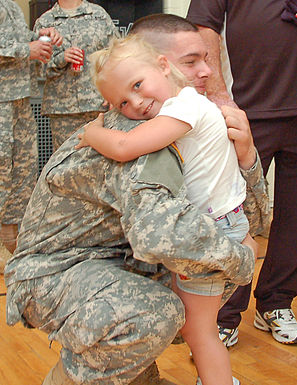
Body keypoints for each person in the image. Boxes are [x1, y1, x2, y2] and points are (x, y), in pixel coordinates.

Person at [4, 14, 265, 385]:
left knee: (195, 288)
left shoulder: (186, 118)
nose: (207, 71)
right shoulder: (143, 133)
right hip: (54, 271)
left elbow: (252, 219)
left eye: (207, 58)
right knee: (160, 310)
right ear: (160, 65)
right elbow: (158, 235)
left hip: (117, 261)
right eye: (190, 62)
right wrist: (240, 257)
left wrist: (248, 156)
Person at [75, 33, 253, 385]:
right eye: (123, 102)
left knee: (199, 331)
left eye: (138, 85)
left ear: (163, 65)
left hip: (212, 230)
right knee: (198, 325)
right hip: (222, 221)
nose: (137, 103)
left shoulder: (184, 107)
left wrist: (92, 132)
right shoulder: (186, 103)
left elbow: (126, 146)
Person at [187, 0, 297, 346]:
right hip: (245, 111)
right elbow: (203, 26)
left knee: (296, 215)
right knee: (231, 215)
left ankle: (276, 302)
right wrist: (219, 94)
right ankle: (223, 314)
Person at [0, 0, 62, 256]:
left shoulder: (10, 7)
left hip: (20, 98)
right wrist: (27, 49)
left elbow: (16, 38)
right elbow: (19, 47)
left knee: (22, 174)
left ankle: (11, 247)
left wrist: (42, 36)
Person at [33, 0, 119, 151]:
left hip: (98, 104)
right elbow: (37, 68)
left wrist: (115, 92)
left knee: (101, 158)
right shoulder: (45, 22)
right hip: (63, 109)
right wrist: (61, 59)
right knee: (65, 161)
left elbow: (116, 55)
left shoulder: (99, 15)